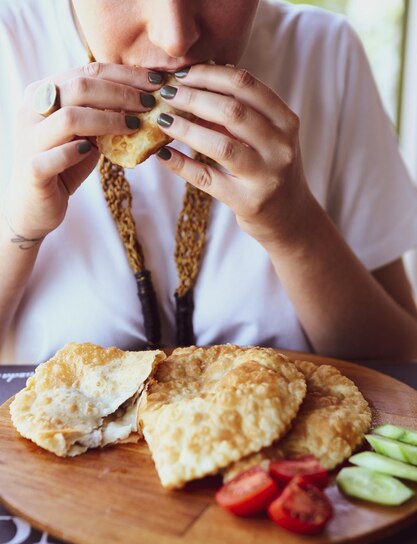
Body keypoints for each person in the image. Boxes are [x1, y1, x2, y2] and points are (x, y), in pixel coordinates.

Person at [1, 0, 417, 365]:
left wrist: (294, 229)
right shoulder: (10, 42)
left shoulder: (324, 52)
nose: (176, 38)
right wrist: (18, 228)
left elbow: (400, 361)